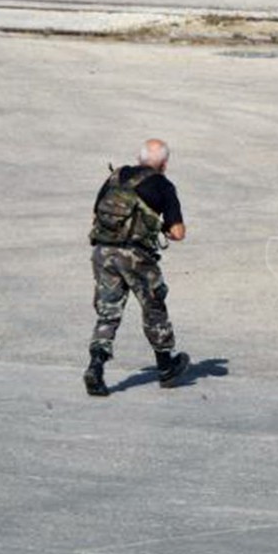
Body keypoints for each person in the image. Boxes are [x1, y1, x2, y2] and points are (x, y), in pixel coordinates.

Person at [84, 139, 189, 396]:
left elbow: (95, 214)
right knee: (153, 307)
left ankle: (95, 367)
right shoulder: (163, 185)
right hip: (136, 257)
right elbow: (178, 232)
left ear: (139, 158)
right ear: (164, 164)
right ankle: (166, 367)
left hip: (103, 252)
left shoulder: (116, 177)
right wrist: (159, 226)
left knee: (108, 312)